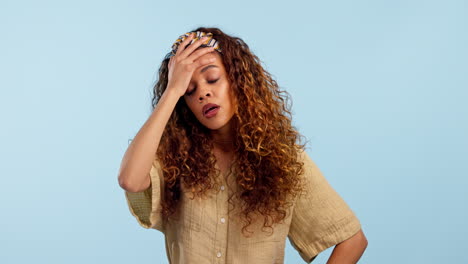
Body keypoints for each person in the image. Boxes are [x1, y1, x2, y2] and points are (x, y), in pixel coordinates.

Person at [118, 27, 368, 264]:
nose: (202, 93)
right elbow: (130, 180)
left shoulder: (284, 161)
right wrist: (173, 91)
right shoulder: (175, 160)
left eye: (212, 79)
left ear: (238, 81)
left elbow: (352, 240)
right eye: (190, 90)